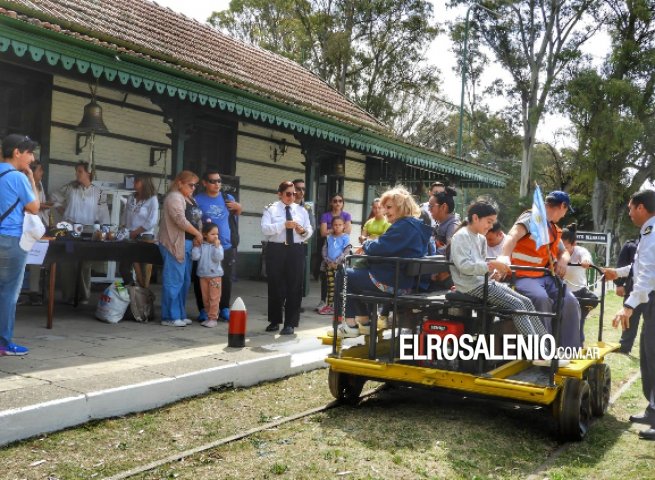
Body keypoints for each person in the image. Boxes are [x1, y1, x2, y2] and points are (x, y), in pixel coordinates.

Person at [333, 186, 432, 338]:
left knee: (343, 273)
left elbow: (379, 247)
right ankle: (364, 322)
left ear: (401, 207)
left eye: (389, 207)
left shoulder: (404, 226)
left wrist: (366, 244)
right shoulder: (416, 226)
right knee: (354, 277)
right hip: (404, 282)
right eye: (384, 207)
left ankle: (351, 325)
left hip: (391, 281)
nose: (385, 211)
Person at [450, 200, 549, 341]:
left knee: (526, 302)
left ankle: (546, 344)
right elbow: (464, 266)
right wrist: (491, 266)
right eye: (489, 222)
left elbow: (482, 265)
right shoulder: (461, 236)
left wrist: (493, 271)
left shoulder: (480, 238)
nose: (491, 226)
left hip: (482, 282)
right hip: (470, 285)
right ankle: (537, 350)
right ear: (475, 218)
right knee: (517, 304)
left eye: (492, 223)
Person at [603, 189, 655, 440]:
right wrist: (617, 272)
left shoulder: (652, 232)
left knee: (653, 354)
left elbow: (648, 275)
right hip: (651, 299)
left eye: (631, 208)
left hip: (651, 297)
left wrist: (629, 305)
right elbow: (638, 266)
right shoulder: (648, 231)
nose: (630, 213)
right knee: (648, 355)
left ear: (642, 207)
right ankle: (653, 409)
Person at [500, 190, 581, 349]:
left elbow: (563, 251)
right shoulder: (531, 219)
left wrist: (563, 261)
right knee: (540, 298)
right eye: (565, 210)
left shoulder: (552, 228)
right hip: (523, 276)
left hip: (545, 276)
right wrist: (503, 257)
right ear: (562, 206)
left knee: (570, 300)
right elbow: (512, 236)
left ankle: (570, 349)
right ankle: (545, 352)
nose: (564, 215)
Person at [0, 134, 40, 356]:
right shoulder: (18, 178)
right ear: (17, 152)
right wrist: (32, 180)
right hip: (10, 240)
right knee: (8, 293)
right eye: (30, 153)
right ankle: (4, 344)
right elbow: (34, 207)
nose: (32, 159)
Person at [51, 161, 109, 304]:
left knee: (85, 263)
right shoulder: (70, 188)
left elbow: (103, 215)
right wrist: (62, 210)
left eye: (80, 171)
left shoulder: (98, 192)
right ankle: (68, 295)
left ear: (88, 173)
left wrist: (105, 230)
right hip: (70, 233)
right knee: (68, 261)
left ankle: (84, 295)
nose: (77, 174)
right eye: (76, 171)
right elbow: (54, 197)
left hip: (88, 233)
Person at [261, 181, 313, 335]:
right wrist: (283, 225)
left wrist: (302, 231)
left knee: (294, 286)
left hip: (295, 249)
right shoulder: (271, 209)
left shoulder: (302, 211)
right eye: (288, 193)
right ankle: (275, 320)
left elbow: (309, 230)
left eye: (294, 194)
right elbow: (265, 229)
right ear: (280, 194)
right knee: (275, 285)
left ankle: (290, 323)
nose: (292, 197)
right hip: (276, 249)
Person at [193, 170, 242, 323]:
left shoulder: (228, 198)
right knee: (201, 277)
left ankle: (224, 308)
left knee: (225, 278)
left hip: (226, 245)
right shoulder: (197, 199)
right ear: (204, 183)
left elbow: (236, 216)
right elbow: (194, 220)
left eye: (219, 181)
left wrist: (239, 208)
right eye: (213, 181)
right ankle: (203, 309)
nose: (217, 184)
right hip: (205, 246)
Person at [158, 171, 203, 327]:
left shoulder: (189, 198)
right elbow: (180, 220)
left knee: (184, 281)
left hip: (189, 244)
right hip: (175, 243)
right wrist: (197, 233)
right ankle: (169, 316)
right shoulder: (174, 197)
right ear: (180, 183)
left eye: (195, 185)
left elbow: (197, 219)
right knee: (174, 280)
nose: (193, 188)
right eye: (190, 185)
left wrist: (198, 236)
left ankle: (180, 314)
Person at [118, 173, 159, 286]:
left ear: (145, 183)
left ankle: (142, 297)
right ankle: (132, 289)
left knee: (143, 271)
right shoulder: (131, 197)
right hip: (129, 236)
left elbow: (152, 221)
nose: (134, 183)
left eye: (137, 181)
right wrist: (123, 227)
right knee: (123, 267)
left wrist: (136, 232)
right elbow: (125, 214)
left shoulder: (152, 199)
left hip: (145, 236)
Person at [561, 223, 597, 345]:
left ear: (573, 244)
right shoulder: (556, 253)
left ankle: (578, 344)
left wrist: (585, 261)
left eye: (565, 247)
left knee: (578, 319)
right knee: (564, 320)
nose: (562, 251)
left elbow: (586, 256)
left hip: (579, 292)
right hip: (562, 292)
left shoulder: (580, 251)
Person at [316, 193, 352, 311]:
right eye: (335, 201)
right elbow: (323, 233)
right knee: (326, 278)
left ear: (343, 203)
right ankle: (324, 301)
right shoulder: (326, 215)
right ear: (331, 202)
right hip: (329, 249)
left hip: (340, 253)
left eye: (340, 201)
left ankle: (338, 304)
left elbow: (348, 231)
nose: (337, 203)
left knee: (340, 281)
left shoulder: (347, 215)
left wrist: (331, 230)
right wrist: (338, 228)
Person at [191, 222, 224, 328]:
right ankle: (208, 317)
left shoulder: (218, 246)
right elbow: (195, 257)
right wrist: (196, 247)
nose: (216, 236)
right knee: (205, 298)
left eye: (217, 234)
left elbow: (218, 258)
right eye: (213, 234)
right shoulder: (201, 246)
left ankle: (213, 318)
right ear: (205, 234)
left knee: (214, 298)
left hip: (215, 276)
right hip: (203, 276)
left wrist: (217, 247)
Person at [615, 239, 641, 354]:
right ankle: (624, 346)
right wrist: (619, 284)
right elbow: (623, 264)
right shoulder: (630, 245)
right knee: (630, 319)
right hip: (632, 288)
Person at [293, 178, 314, 313]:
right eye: (298, 189)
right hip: (285, 244)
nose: (301, 192)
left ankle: (296, 304)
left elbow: (311, 225)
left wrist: (303, 232)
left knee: (298, 277)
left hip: (301, 244)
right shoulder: (285, 205)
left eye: (303, 189)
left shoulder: (307, 207)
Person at [429, 187, 460, 255]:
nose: (429, 210)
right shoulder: (440, 222)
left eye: (431, 206)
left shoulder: (453, 225)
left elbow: (451, 249)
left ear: (443, 207)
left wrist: (430, 251)